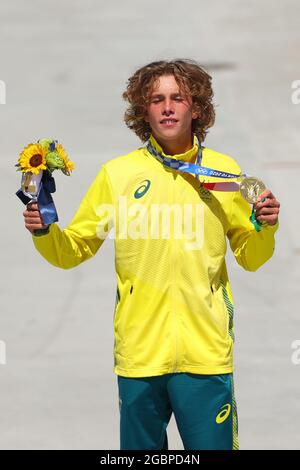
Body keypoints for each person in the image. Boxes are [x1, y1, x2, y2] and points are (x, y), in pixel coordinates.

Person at [23, 59, 280, 450]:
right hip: (140, 355)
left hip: (205, 354)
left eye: (179, 97)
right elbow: (73, 250)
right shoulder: (118, 175)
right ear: (144, 110)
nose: (168, 107)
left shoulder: (223, 173)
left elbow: (251, 256)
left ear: (197, 108)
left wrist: (265, 227)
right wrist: (44, 229)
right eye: (156, 99)